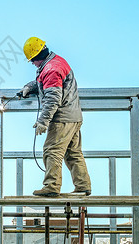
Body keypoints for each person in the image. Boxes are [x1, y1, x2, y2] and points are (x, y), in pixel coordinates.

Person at [19, 36, 91, 197]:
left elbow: (52, 98)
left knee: (52, 150)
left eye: (32, 60)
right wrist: (29, 87)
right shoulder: (56, 63)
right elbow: (45, 82)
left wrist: (42, 122)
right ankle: (83, 185)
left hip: (62, 118)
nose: (32, 63)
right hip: (74, 116)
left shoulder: (51, 68)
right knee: (73, 153)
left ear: (38, 56)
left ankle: (51, 186)